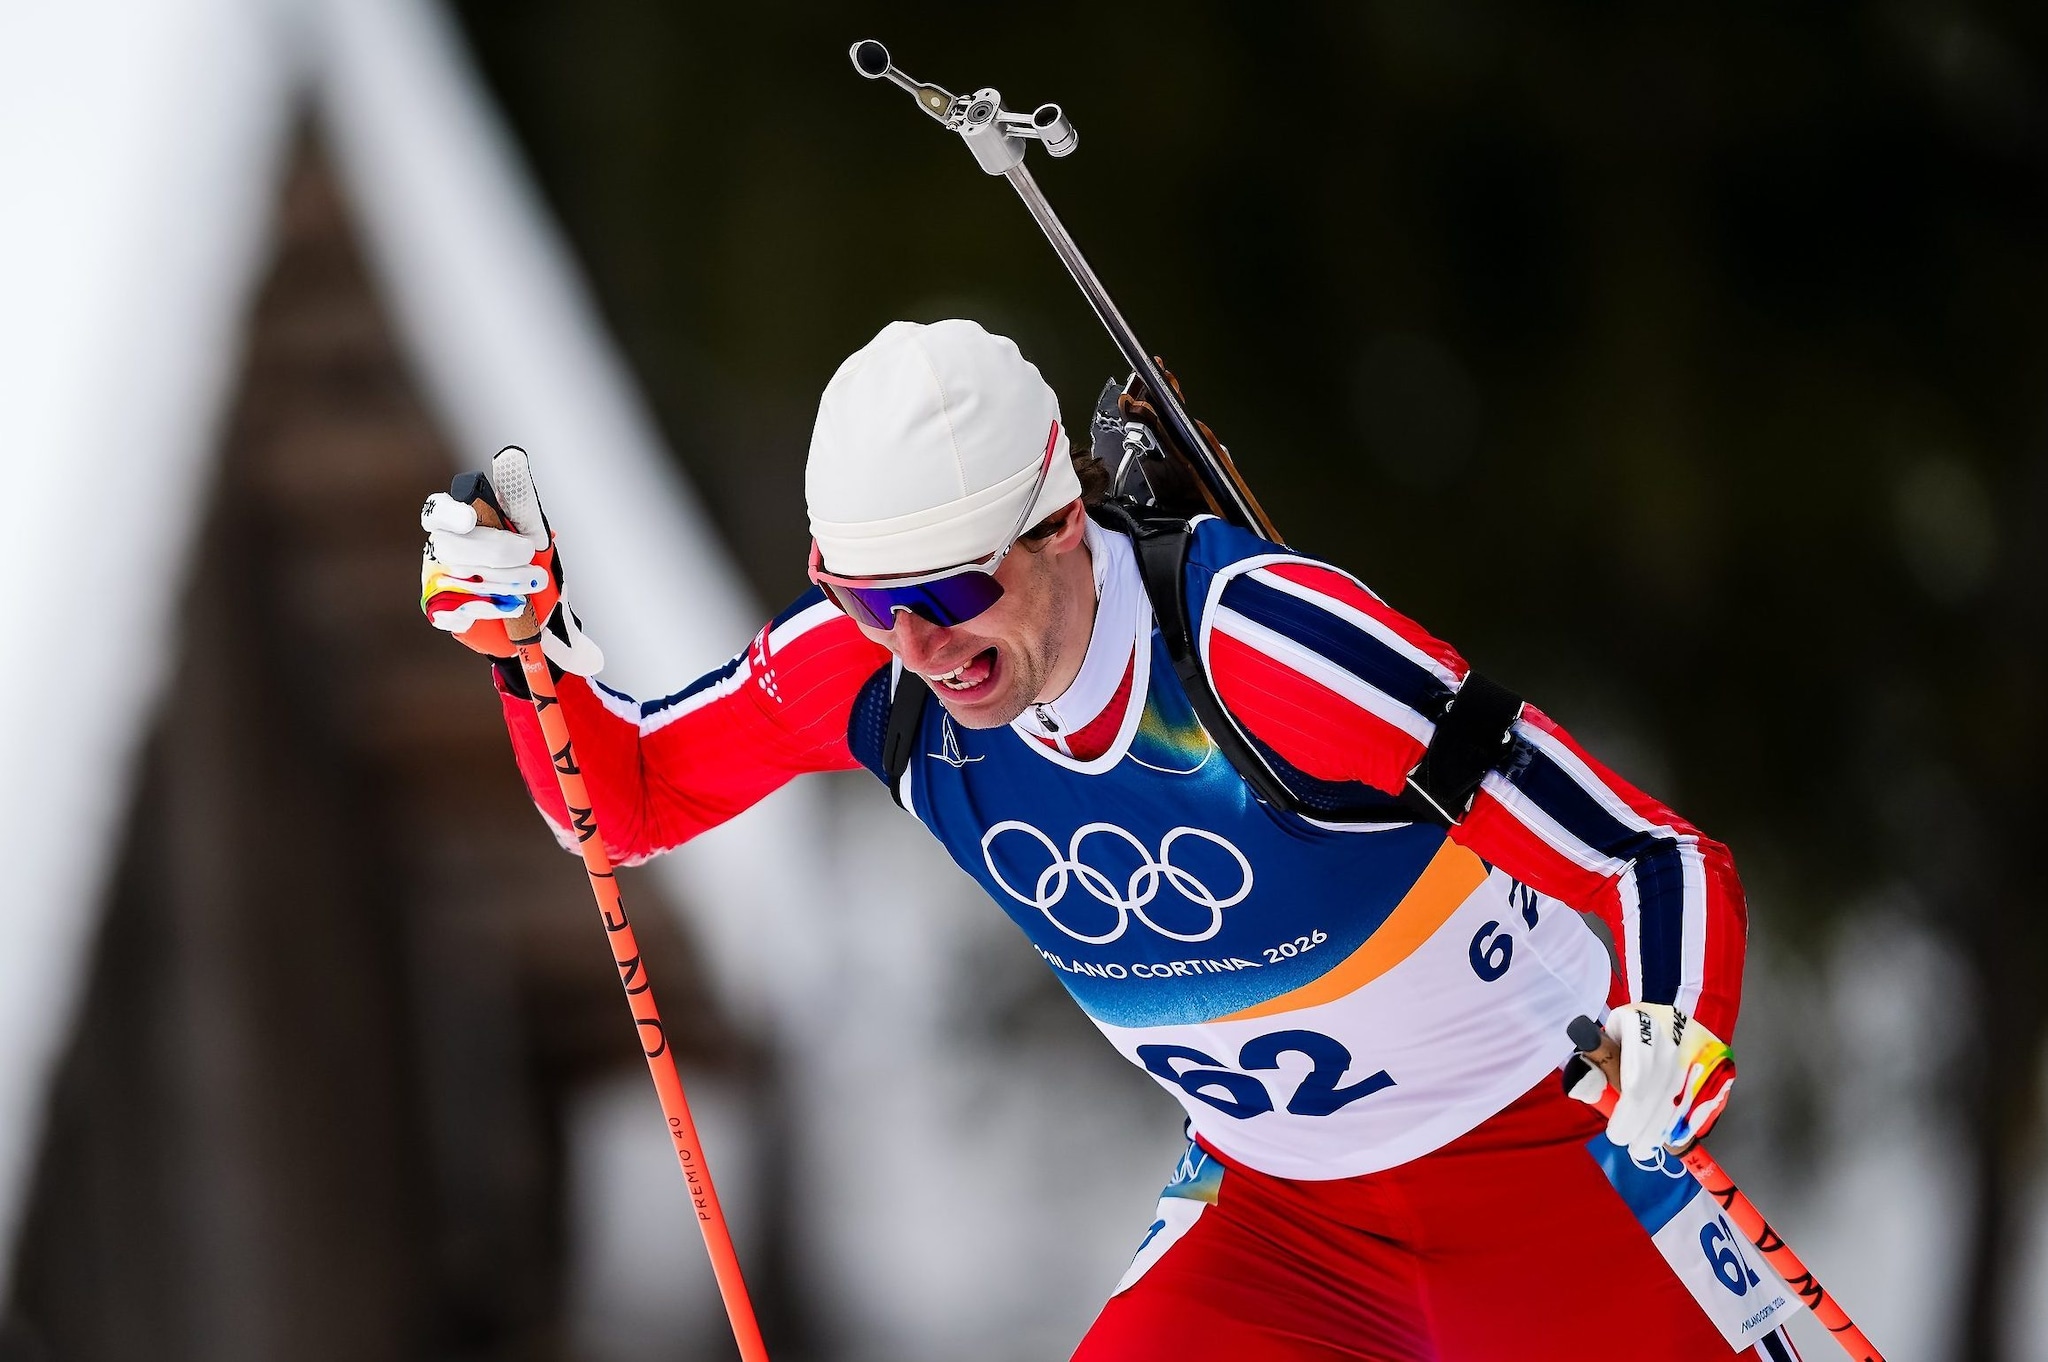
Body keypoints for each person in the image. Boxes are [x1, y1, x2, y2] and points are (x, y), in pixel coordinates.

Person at [419, 320, 1789, 1360]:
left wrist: (1675, 1022)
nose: (921, 645)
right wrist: (526, 644)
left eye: (957, 588)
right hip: (1282, 1216)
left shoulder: (1264, 649)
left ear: (1064, 525)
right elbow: (632, 797)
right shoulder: (874, 663)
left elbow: (1649, 856)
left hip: (1542, 1172)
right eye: (866, 594)